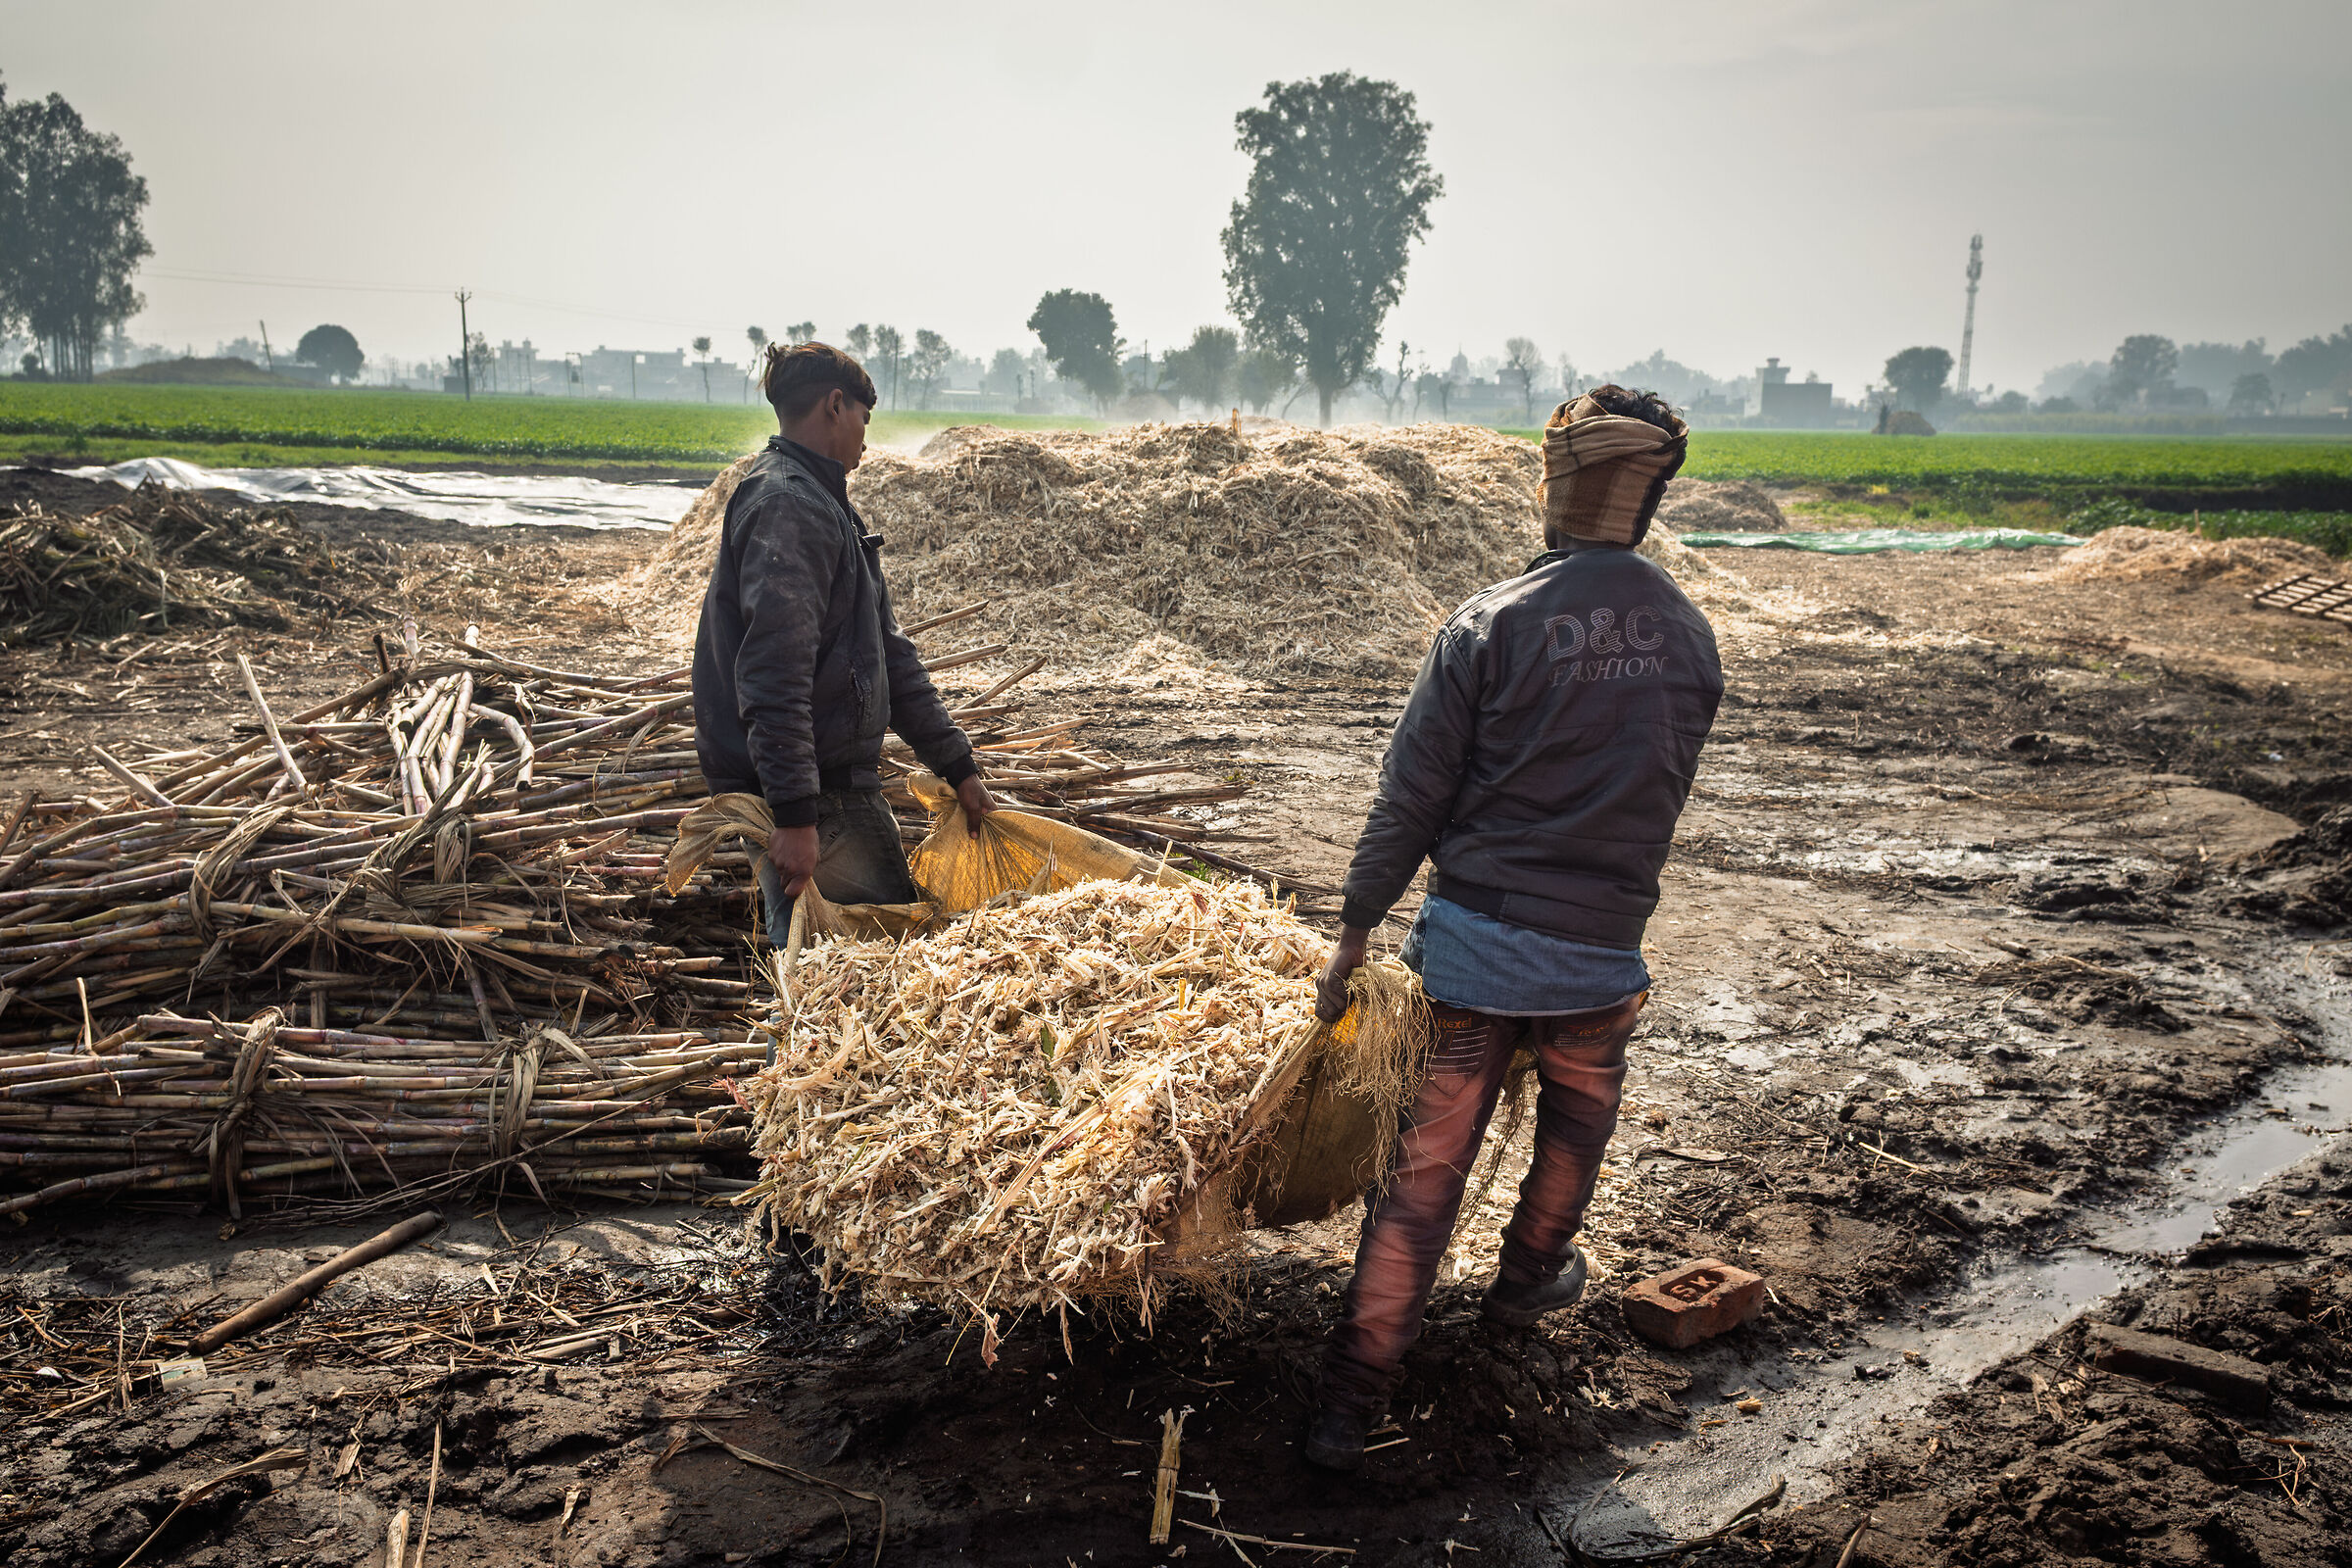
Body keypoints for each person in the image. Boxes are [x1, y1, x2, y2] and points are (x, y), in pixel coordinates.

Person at [1302, 385, 1724, 1471]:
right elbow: (1655, 791)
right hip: (1598, 960)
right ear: (1644, 500)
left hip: (1475, 958)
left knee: (1422, 1183)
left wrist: (1354, 931)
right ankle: (1525, 1287)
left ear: (1556, 489)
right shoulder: (1688, 634)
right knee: (1575, 1137)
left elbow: (1412, 799)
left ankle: (1351, 1401)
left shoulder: (1488, 625)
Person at [691, 340, 993, 941]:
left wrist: (956, 764)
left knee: (847, 977)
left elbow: (888, 657)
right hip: (820, 801)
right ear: (835, 405)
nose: (864, 436)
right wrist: (798, 816)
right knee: (856, 977)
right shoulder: (790, 507)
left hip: (828, 790)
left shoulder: (821, 503)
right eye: (863, 417)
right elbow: (773, 673)